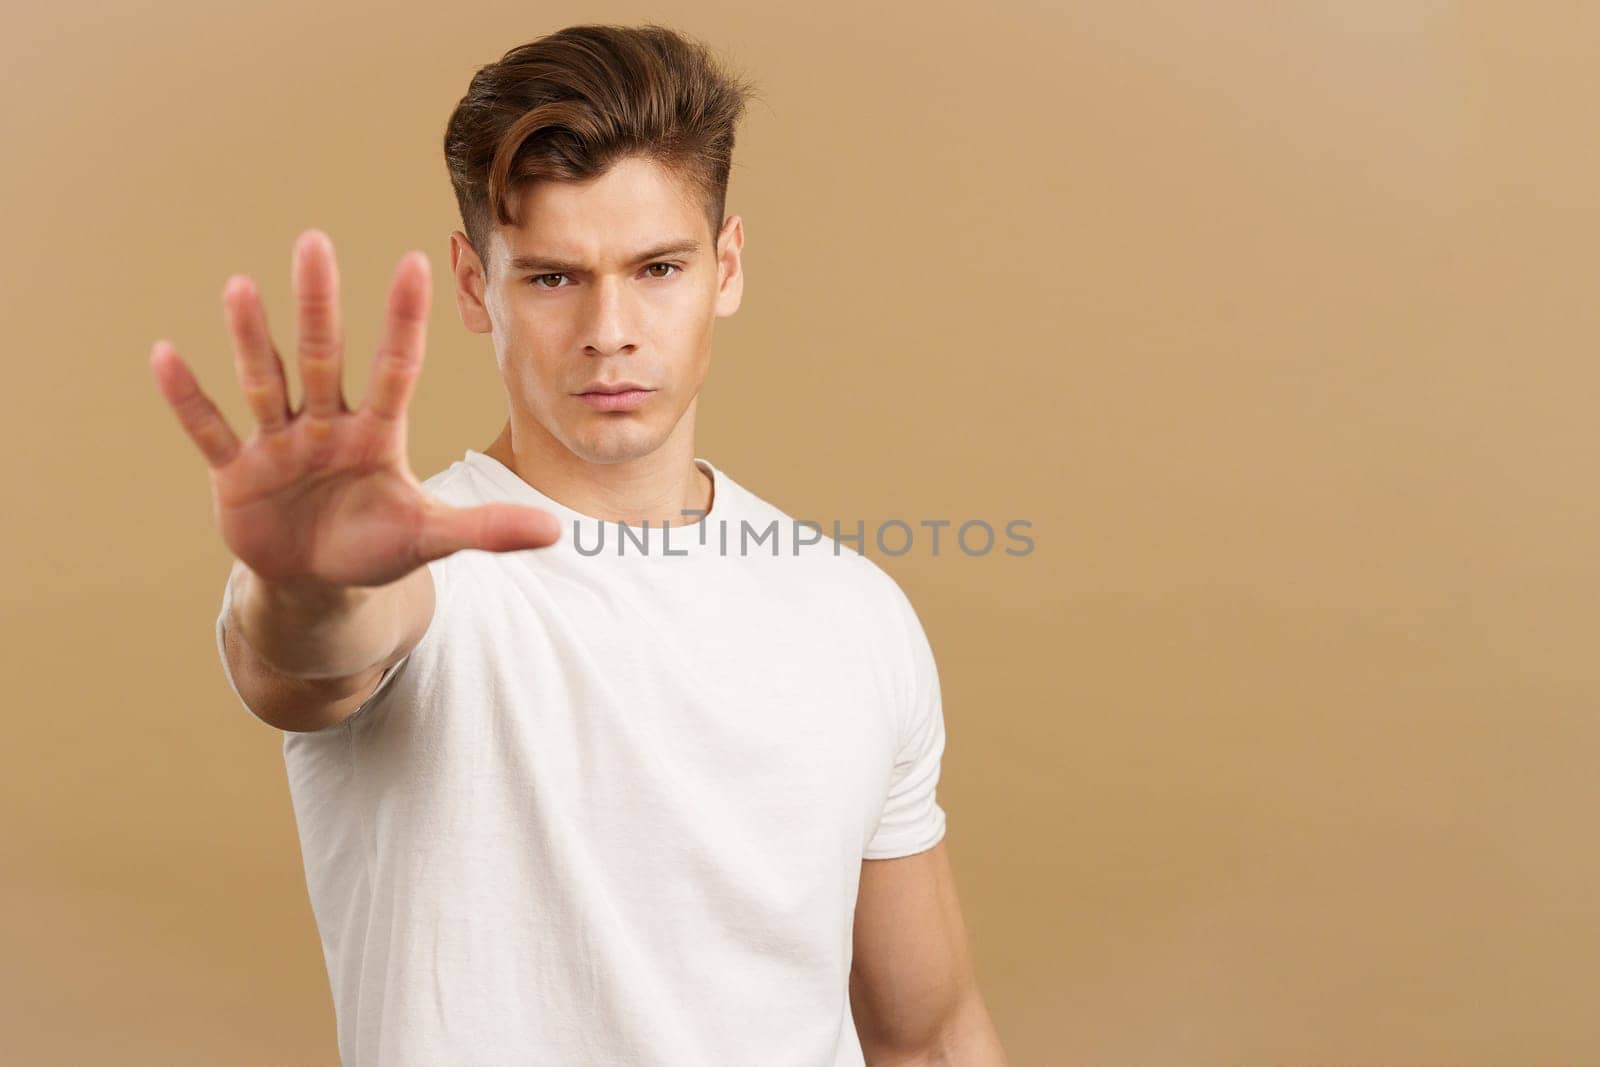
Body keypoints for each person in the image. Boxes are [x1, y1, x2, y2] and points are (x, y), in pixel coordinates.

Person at [150, 21, 1006, 1067]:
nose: (611, 328)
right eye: (553, 278)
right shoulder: (416, 574)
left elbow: (929, 1035)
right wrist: (303, 582)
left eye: (656, 268)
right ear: (476, 287)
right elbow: (309, 659)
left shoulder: (853, 607)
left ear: (725, 268)